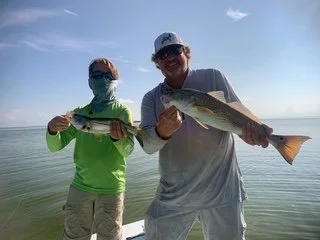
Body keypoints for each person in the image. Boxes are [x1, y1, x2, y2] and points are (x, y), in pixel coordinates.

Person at [139, 32, 273, 240]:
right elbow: (147, 147)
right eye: (163, 54)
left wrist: (253, 133)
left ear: (186, 52)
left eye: (175, 50)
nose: (170, 57)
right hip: (174, 193)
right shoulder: (151, 98)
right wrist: (162, 131)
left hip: (222, 190)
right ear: (157, 62)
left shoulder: (213, 77)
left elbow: (239, 113)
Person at [46, 57, 134, 240]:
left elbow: (128, 150)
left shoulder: (122, 112)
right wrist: (52, 130)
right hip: (80, 186)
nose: (101, 79)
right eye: (96, 75)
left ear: (115, 80)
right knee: (74, 236)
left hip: (112, 188)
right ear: (89, 81)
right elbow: (55, 147)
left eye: (107, 75)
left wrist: (118, 139)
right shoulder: (79, 113)